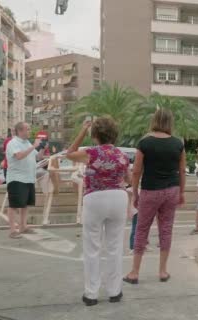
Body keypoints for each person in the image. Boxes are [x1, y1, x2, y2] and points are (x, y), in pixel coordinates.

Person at [66, 118, 130, 306]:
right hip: (118, 197)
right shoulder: (122, 155)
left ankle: (91, 294)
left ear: (95, 136)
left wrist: (82, 130)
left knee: (92, 247)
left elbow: (69, 154)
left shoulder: (91, 153)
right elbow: (127, 178)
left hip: (95, 198)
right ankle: (115, 291)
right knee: (115, 246)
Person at [124, 108, 186, 284]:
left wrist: (135, 192)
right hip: (172, 190)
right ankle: (163, 271)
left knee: (142, 229)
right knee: (166, 229)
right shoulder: (178, 143)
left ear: (155, 121)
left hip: (150, 191)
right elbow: (182, 170)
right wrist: (181, 192)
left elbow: (136, 171)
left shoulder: (144, 142)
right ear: (170, 123)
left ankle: (135, 272)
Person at [6, 122, 46, 239]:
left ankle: (23, 226)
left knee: (25, 205)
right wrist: (33, 146)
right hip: (17, 178)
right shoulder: (13, 143)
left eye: (29, 129)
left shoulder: (27, 143)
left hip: (29, 178)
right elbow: (19, 156)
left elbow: (37, 157)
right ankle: (13, 230)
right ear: (20, 131)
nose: (29, 131)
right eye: (27, 129)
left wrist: (42, 148)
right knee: (14, 204)